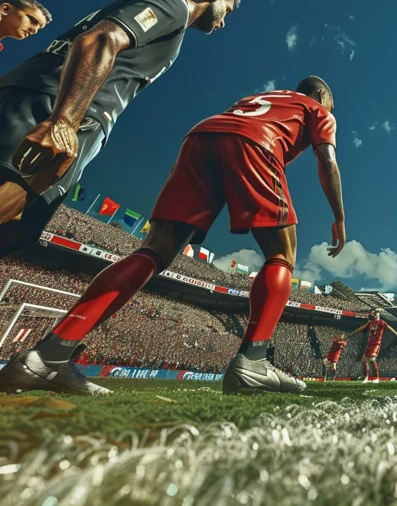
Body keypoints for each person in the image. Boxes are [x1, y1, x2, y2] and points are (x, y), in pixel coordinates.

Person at [0, 76, 345, 396]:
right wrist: (338, 217)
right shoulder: (316, 108)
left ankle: (49, 354)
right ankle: (253, 361)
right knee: (280, 255)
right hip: (256, 142)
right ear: (321, 98)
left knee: (154, 250)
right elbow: (327, 160)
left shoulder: (260, 97)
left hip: (202, 135)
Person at [0, 0, 240, 257]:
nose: (223, 23)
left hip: (60, 111)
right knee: (11, 209)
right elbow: (98, 40)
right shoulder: (173, 5)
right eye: (226, 11)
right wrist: (63, 121)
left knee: (19, 229)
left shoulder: (168, 21)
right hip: (49, 107)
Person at [349, 310, 397, 384]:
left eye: (373, 315)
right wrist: (352, 334)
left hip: (376, 343)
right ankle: (367, 377)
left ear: (376, 315)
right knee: (364, 361)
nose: (372, 317)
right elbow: (361, 328)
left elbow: (389, 328)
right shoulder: (370, 323)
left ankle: (376, 378)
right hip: (369, 344)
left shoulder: (382, 322)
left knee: (372, 360)